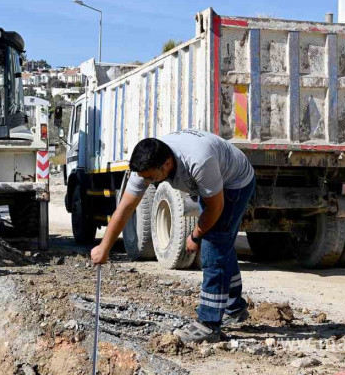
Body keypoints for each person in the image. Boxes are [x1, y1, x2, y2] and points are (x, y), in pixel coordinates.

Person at [90, 130, 256, 344]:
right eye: (143, 178)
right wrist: (104, 246)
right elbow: (125, 207)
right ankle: (234, 307)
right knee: (220, 244)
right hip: (214, 179)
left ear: (167, 164)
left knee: (213, 245)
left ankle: (209, 325)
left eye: (150, 178)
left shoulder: (198, 160)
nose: (147, 182)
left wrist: (195, 236)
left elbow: (215, 207)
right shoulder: (146, 165)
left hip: (235, 182)